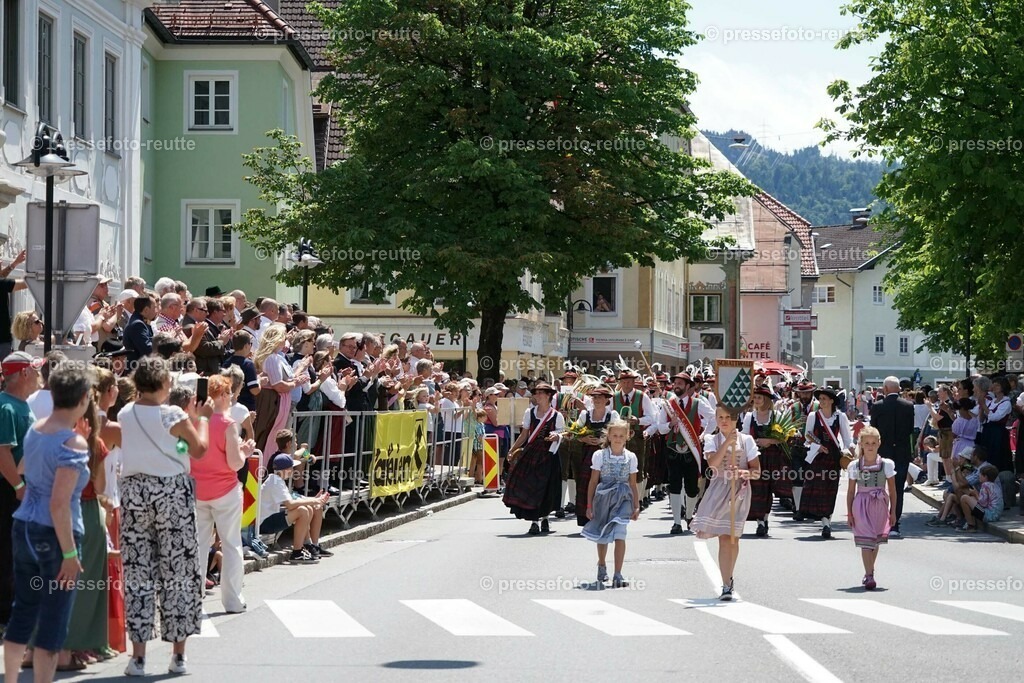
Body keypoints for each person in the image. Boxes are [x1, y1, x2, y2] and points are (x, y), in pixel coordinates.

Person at [118, 356, 210, 677]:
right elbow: (197, 450)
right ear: (161, 384)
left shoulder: (125, 413)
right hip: (171, 492)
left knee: (139, 572)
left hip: (134, 492)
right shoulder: (174, 414)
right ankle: (178, 654)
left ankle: (139, 656)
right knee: (179, 570)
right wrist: (201, 420)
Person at [2, 361, 91, 683]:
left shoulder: (35, 428)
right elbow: (59, 504)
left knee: (23, 610)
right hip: (53, 534)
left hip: (23, 523)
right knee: (53, 620)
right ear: (82, 397)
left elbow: (24, 466)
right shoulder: (73, 443)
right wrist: (69, 553)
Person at [191, 375, 256, 614]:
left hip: (198, 490)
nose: (231, 398)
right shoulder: (228, 424)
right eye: (228, 393)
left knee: (197, 544)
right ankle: (233, 600)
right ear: (221, 395)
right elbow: (234, 463)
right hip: (225, 491)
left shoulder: (195, 420)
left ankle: (192, 599)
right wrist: (245, 451)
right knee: (231, 544)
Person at [690, 405, 760, 601]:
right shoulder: (712, 440)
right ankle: (726, 584)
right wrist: (727, 442)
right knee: (723, 536)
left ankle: (730, 576)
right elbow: (712, 464)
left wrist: (744, 473)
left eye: (728, 417)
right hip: (719, 488)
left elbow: (756, 470)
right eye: (720, 417)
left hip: (739, 491)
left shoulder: (747, 441)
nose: (724, 421)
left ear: (736, 419)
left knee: (733, 538)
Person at [0, 351, 42, 627]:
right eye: (36, 370)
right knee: (8, 554)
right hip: (9, 493)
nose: (40, 375)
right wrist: (18, 486)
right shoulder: (7, 407)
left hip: (21, 492)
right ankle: (6, 618)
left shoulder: (20, 404)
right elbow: (2, 452)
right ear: (24, 373)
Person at [582, 415, 639, 588]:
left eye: (622, 436)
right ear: (609, 436)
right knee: (603, 534)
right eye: (615, 435)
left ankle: (618, 573)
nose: (618, 439)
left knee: (620, 534)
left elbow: (632, 483)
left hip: (623, 498)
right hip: (604, 497)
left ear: (627, 436)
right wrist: (589, 505)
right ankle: (601, 564)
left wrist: (636, 505)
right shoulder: (600, 455)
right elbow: (593, 481)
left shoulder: (631, 457)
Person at [502, 382, 565, 535]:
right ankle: (534, 521)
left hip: (549, 455)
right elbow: (524, 435)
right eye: (536, 393)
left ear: (548, 395)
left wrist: (557, 436)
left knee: (546, 489)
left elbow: (563, 433)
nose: (537, 396)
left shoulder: (557, 415)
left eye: (540, 393)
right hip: (532, 454)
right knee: (531, 488)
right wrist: (512, 450)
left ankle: (545, 518)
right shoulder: (529, 413)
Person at [845, 426, 896, 591]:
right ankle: (869, 576)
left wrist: (893, 511)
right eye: (867, 443)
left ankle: (869, 571)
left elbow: (893, 491)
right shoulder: (855, 465)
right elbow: (851, 491)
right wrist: (850, 513)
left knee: (874, 541)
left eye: (873, 443)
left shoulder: (886, 464)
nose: (870, 446)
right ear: (861, 444)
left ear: (879, 444)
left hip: (879, 504)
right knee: (866, 540)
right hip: (860, 504)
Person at [258, 453, 331, 563]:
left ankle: (306, 546)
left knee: (307, 508)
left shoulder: (276, 480)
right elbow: (290, 504)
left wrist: (312, 500)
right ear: (285, 469)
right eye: (291, 468)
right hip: (264, 523)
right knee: (302, 511)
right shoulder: (276, 482)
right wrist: (315, 501)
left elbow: (292, 500)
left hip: (268, 519)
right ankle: (297, 552)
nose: (293, 470)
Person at [664, 372, 714, 533]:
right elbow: (660, 426)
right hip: (673, 449)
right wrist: (670, 425)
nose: (676, 385)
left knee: (692, 487)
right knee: (675, 485)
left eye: (679, 383)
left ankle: (689, 515)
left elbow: (713, 418)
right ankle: (677, 522)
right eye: (675, 383)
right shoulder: (668, 404)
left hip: (692, 449)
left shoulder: (698, 403)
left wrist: (703, 435)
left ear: (687, 386)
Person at [802, 387, 854, 539]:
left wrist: (850, 452)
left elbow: (846, 439)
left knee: (830, 490)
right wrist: (818, 446)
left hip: (833, 457)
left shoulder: (840, 417)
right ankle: (823, 520)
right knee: (817, 488)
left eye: (825, 399)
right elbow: (808, 435)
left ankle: (827, 521)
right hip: (818, 456)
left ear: (832, 401)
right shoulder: (814, 415)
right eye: (821, 399)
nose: (822, 402)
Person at [742, 386, 793, 538]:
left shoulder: (776, 415)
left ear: (766, 400)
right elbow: (744, 437)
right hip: (756, 457)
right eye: (755, 397)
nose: (756, 400)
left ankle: (764, 517)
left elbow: (784, 437)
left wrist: (770, 440)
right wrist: (757, 441)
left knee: (769, 489)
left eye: (759, 397)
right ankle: (760, 523)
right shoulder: (750, 416)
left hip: (773, 457)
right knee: (758, 489)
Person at [869, 377, 915, 537]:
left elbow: (873, 431)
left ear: (886, 389)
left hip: (883, 453)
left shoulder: (878, 406)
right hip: (902, 452)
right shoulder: (909, 406)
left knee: (878, 488)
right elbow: (910, 429)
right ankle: (894, 525)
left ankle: (879, 522)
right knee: (898, 489)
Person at [566, 386, 615, 527]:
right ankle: (586, 518)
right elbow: (574, 432)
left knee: (605, 485)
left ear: (606, 400)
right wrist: (584, 439)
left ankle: (605, 517)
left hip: (607, 455)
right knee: (586, 484)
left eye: (600, 397)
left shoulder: (612, 415)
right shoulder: (585, 415)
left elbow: (618, 433)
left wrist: (604, 440)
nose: (597, 400)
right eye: (594, 397)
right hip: (588, 455)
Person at [958, 464, 1003, 532]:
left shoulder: (985, 485)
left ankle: (970, 525)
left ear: (985, 476)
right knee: (971, 498)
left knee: (964, 498)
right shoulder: (995, 485)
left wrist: (975, 494)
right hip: (996, 514)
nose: (979, 476)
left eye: (980, 474)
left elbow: (983, 503)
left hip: (989, 515)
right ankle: (970, 523)